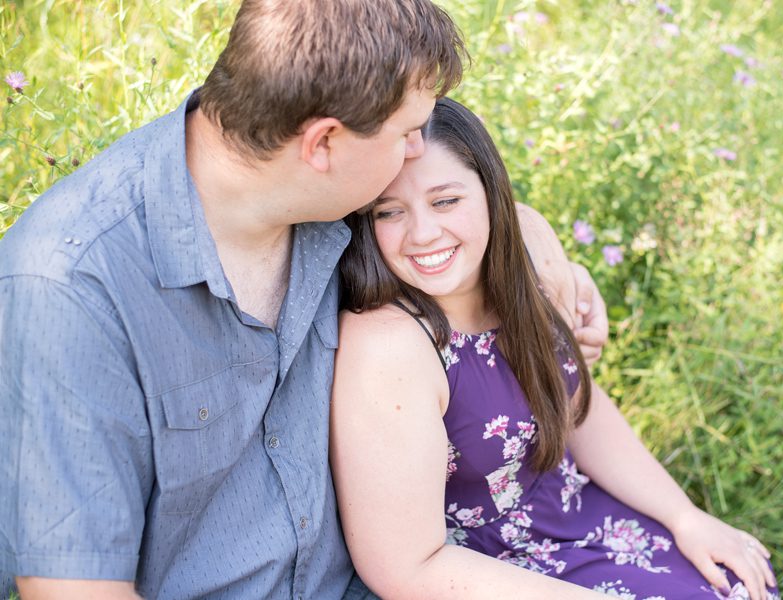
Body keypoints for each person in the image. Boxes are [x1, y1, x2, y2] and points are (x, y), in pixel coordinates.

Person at [0, 2, 609, 599]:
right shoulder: (70, 289)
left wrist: (553, 262)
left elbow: (468, 215)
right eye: (406, 133)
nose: (418, 149)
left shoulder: (324, 202)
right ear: (323, 145)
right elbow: (71, 589)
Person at [332, 97, 780, 600]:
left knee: (735, 585)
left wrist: (685, 517)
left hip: (564, 511)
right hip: (475, 571)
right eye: (389, 211)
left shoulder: (522, 276)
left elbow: (575, 411)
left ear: (490, 192)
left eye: (445, 201)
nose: (423, 233)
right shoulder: (390, 348)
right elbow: (407, 569)